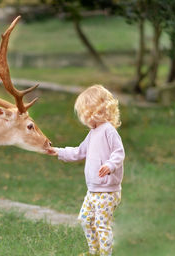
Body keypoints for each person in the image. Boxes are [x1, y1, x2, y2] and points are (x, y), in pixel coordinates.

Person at [53, 85, 125, 256]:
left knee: (102, 226)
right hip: (93, 190)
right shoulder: (93, 133)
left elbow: (119, 152)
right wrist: (58, 151)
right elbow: (79, 152)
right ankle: (94, 251)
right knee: (85, 220)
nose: (82, 119)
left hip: (107, 191)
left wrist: (110, 165)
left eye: (83, 114)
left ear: (94, 111)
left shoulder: (108, 130)